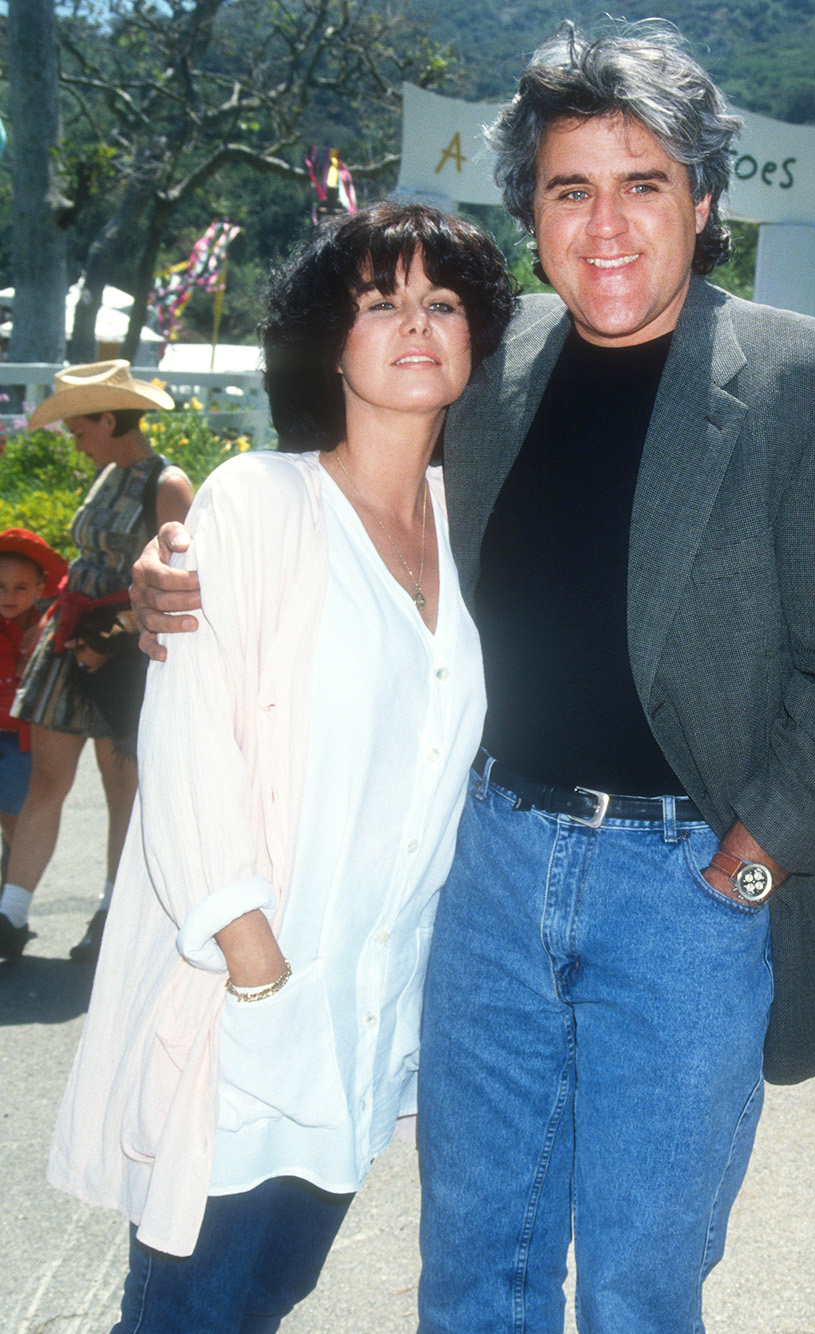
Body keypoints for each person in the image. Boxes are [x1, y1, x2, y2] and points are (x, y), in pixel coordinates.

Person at [131, 22, 815, 1332]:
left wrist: (744, 872)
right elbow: (338, 500)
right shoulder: (490, 367)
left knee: (636, 1286)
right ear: (535, 212)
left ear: (703, 198)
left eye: (642, 182)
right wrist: (178, 551)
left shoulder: (811, 385)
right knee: (474, 1270)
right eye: (570, 188)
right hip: (489, 871)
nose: (606, 225)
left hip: (687, 891)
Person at [48, 204, 514, 1333]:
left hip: (369, 1012)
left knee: (268, 1295)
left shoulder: (475, 524)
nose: (416, 323)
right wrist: (249, 952)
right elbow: (189, 731)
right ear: (327, 340)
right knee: (188, 1309)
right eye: (379, 301)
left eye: (442, 302)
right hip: (248, 995)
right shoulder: (261, 499)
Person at [0, 362, 193, 965]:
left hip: (122, 657)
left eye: (80, 428)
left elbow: (180, 580)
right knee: (46, 784)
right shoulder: (107, 471)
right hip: (68, 644)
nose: (75, 441)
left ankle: (113, 913)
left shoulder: (167, 483)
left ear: (109, 419)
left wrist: (112, 634)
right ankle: (11, 914)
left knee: (123, 791)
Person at [0, 529, 68, 875]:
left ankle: (10, 884)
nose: (8, 596)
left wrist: (44, 620)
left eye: (20, 587)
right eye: (0, 586)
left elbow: (69, 591)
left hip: (20, 740)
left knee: (13, 818)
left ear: (39, 590)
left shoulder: (43, 628)